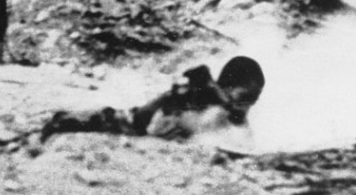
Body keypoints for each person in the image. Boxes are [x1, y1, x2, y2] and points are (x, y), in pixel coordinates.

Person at [41, 56, 265, 142]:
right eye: (245, 97)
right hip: (147, 121)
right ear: (228, 85)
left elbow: (245, 142)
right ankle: (63, 121)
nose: (248, 106)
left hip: (162, 131)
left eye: (254, 100)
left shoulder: (235, 118)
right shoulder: (205, 94)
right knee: (112, 120)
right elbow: (198, 75)